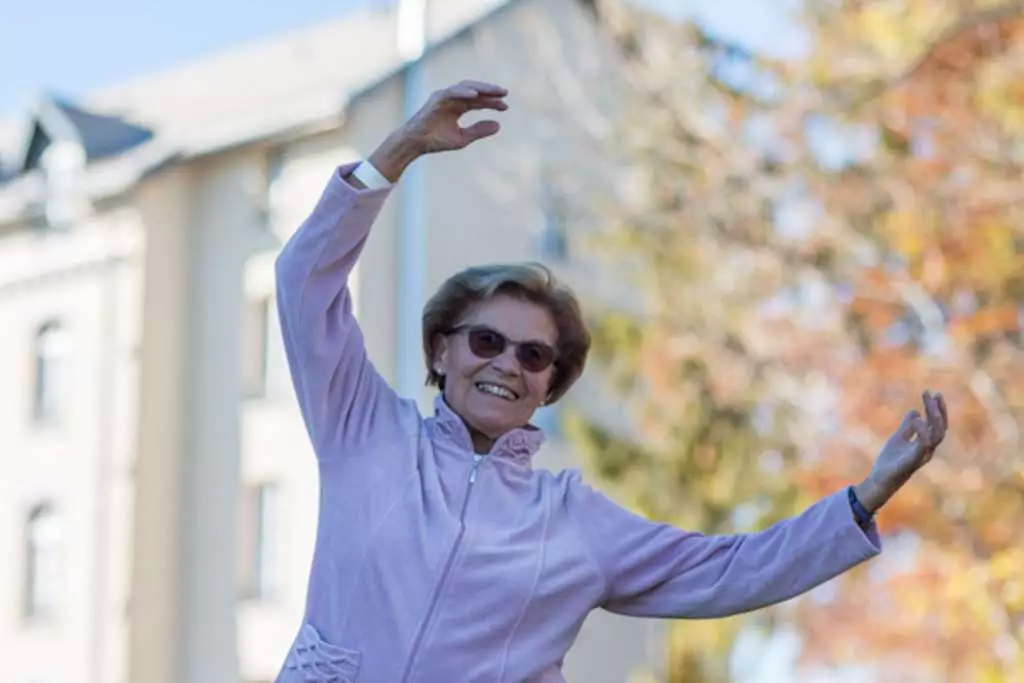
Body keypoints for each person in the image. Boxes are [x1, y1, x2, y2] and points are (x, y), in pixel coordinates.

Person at [272, 80, 949, 683]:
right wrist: (401, 149)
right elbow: (304, 280)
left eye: (534, 355)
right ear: (441, 351)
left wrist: (863, 498)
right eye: (486, 340)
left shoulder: (572, 520)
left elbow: (729, 570)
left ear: (550, 385)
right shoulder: (365, 431)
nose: (507, 363)